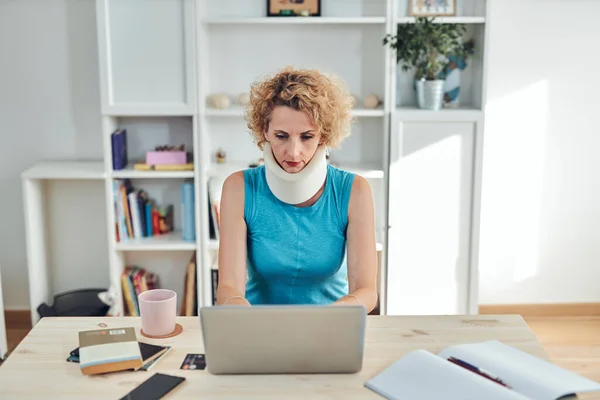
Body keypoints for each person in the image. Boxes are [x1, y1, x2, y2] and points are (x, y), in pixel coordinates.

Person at [216, 66, 378, 313]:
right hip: (259, 326)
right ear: (264, 132)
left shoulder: (355, 191)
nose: (293, 152)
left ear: (323, 136)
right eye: (281, 136)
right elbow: (228, 287)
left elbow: (366, 290)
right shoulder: (238, 188)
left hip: (331, 326)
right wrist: (242, 315)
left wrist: (338, 314)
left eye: (306, 136)